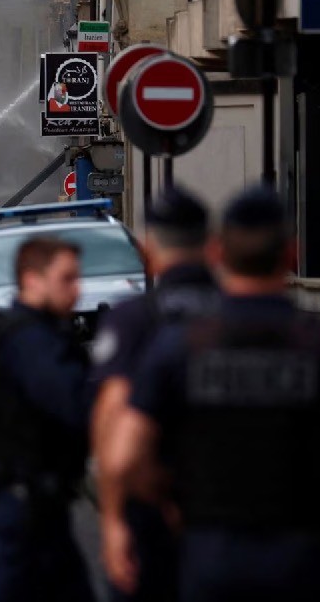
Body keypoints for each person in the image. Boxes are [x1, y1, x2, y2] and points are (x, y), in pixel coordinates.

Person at [100, 187, 320, 602]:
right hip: (313, 554)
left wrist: (171, 506)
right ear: (291, 255)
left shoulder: (181, 346)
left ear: (217, 254)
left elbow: (123, 456)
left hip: (216, 553)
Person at [92, 188, 218, 602]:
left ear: (148, 247)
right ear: (212, 246)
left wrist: (113, 520)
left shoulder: (133, 321)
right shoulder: (248, 316)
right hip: (248, 523)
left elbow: (115, 426)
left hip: (157, 514)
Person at [0, 237, 96, 602]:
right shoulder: (33, 341)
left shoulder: (16, 332)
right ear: (33, 279)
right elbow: (73, 405)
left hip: (28, 495)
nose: (78, 290)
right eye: (67, 279)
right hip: (29, 497)